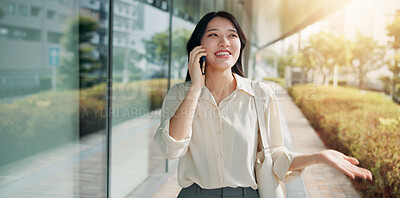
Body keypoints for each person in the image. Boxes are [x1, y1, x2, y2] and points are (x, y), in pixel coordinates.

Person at [154, 11, 372, 198]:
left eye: (232, 35)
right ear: (198, 47)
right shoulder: (180, 94)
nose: (224, 42)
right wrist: (195, 88)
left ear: (240, 44)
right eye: (214, 35)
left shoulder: (261, 94)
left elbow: (274, 157)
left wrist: (318, 157)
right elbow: (172, 148)